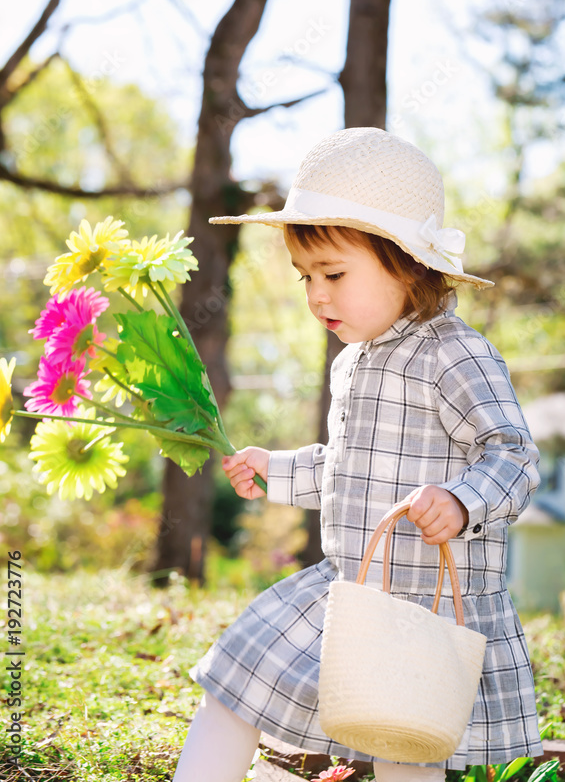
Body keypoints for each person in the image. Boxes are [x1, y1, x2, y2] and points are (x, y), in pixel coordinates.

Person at [173, 127, 543, 782]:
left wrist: (461, 502)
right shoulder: (352, 363)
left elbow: (513, 456)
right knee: (234, 678)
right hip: (348, 589)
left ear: (404, 263)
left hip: (425, 605)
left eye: (334, 273)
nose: (316, 294)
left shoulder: (454, 353)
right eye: (306, 277)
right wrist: (275, 467)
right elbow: (348, 466)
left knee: (405, 746)